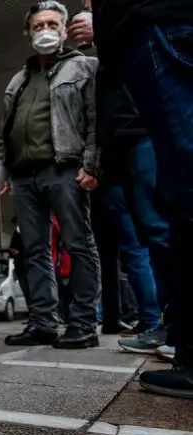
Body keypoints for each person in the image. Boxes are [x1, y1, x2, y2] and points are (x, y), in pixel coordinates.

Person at [73, 0, 193, 396]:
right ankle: (179, 335)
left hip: (160, 30)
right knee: (164, 222)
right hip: (119, 146)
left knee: (173, 210)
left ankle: (160, 325)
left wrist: (108, 25)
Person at [0, 1, 101, 349]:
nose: (45, 30)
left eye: (52, 23)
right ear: (29, 33)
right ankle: (43, 322)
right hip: (24, 175)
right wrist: (0, 167)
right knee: (34, 251)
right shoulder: (18, 80)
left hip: (65, 169)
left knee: (78, 244)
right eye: (38, 25)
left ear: (65, 30)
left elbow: (96, 119)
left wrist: (92, 164)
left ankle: (82, 324)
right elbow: (4, 129)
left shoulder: (83, 67)